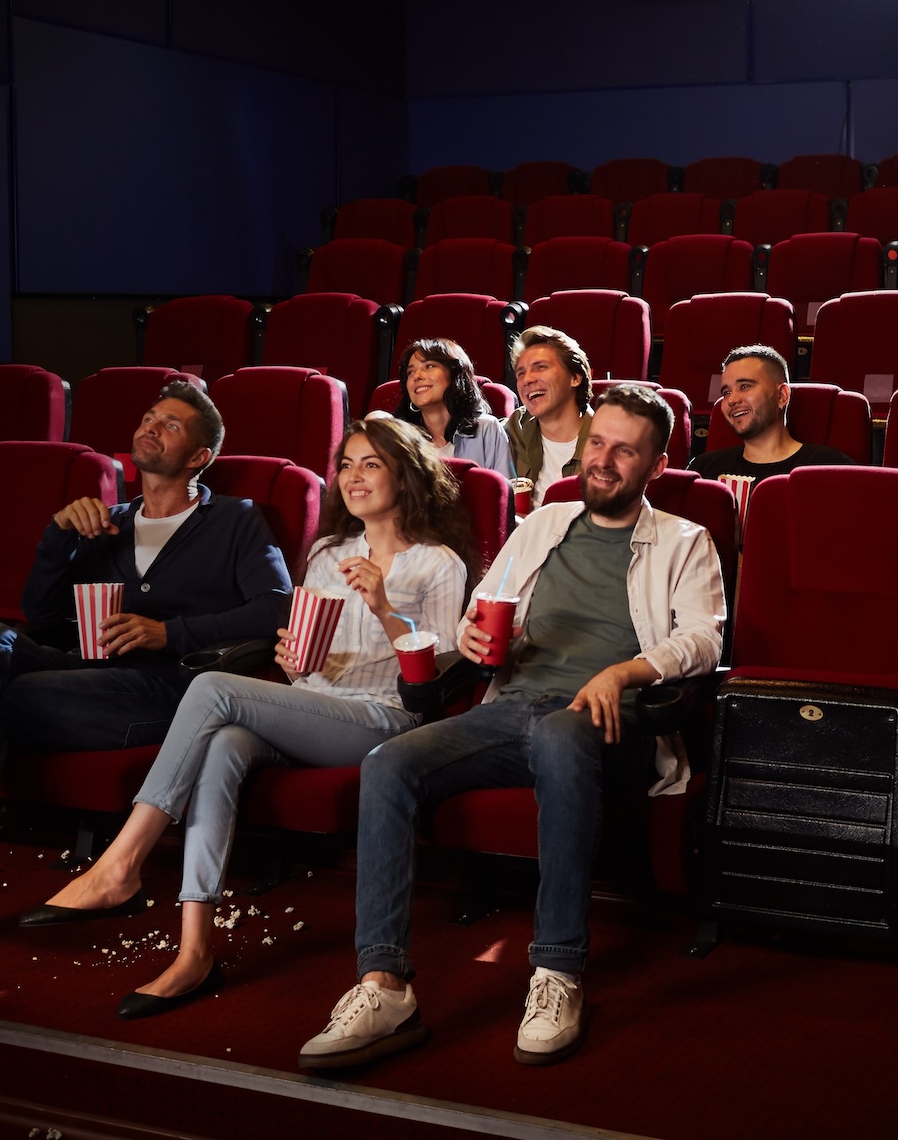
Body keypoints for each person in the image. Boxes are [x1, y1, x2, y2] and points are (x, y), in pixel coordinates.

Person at [297, 384, 724, 1072]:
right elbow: (486, 608)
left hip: (610, 723)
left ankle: (557, 970)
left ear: (658, 463)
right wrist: (472, 637)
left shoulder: (684, 540)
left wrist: (624, 671)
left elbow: (704, 639)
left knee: (559, 730)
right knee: (388, 761)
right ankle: (384, 984)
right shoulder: (543, 526)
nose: (604, 460)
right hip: (509, 707)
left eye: (624, 449)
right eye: (596, 444)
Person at [0, 382, 291, 984]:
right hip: (81, 673)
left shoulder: (233, 521)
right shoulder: (107, 523)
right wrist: (59, 538)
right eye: (148, 417)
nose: (151, 426)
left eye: (170, 424)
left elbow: (276, 607)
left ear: (200, 456)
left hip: (164, 690)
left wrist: (166, 633)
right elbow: (40, 616)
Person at [26, 418, 475, 1018]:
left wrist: (386, 608)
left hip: (387, 720)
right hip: (317, 708)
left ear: (406, 474)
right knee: (224, 745)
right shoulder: (326, 554)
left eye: (371, 464)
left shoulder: (437, 564)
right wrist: (293, 661)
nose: (353, 477)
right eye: (346, 464)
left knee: (213, 687)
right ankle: (195, 951)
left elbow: (437, 678)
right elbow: (310, 662)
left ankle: (121, 861)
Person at [688, 344, 853, 481]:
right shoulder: (703, 470)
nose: (731, 400)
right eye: (726, 392)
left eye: (745, 386)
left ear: (782, 396)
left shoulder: (829, 467)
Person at [392, 338, 512, 479]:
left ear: (455, 374)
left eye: (429, 366)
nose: (416, 376)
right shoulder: (399, 438)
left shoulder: (486, 429)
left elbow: (505, 494)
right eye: (410, 372)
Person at [504, 325, 594, 501]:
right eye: (520, 373)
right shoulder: (513, 427)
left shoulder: (608, 443)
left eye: (540, 367)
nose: (527, 379)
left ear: (575, 377)